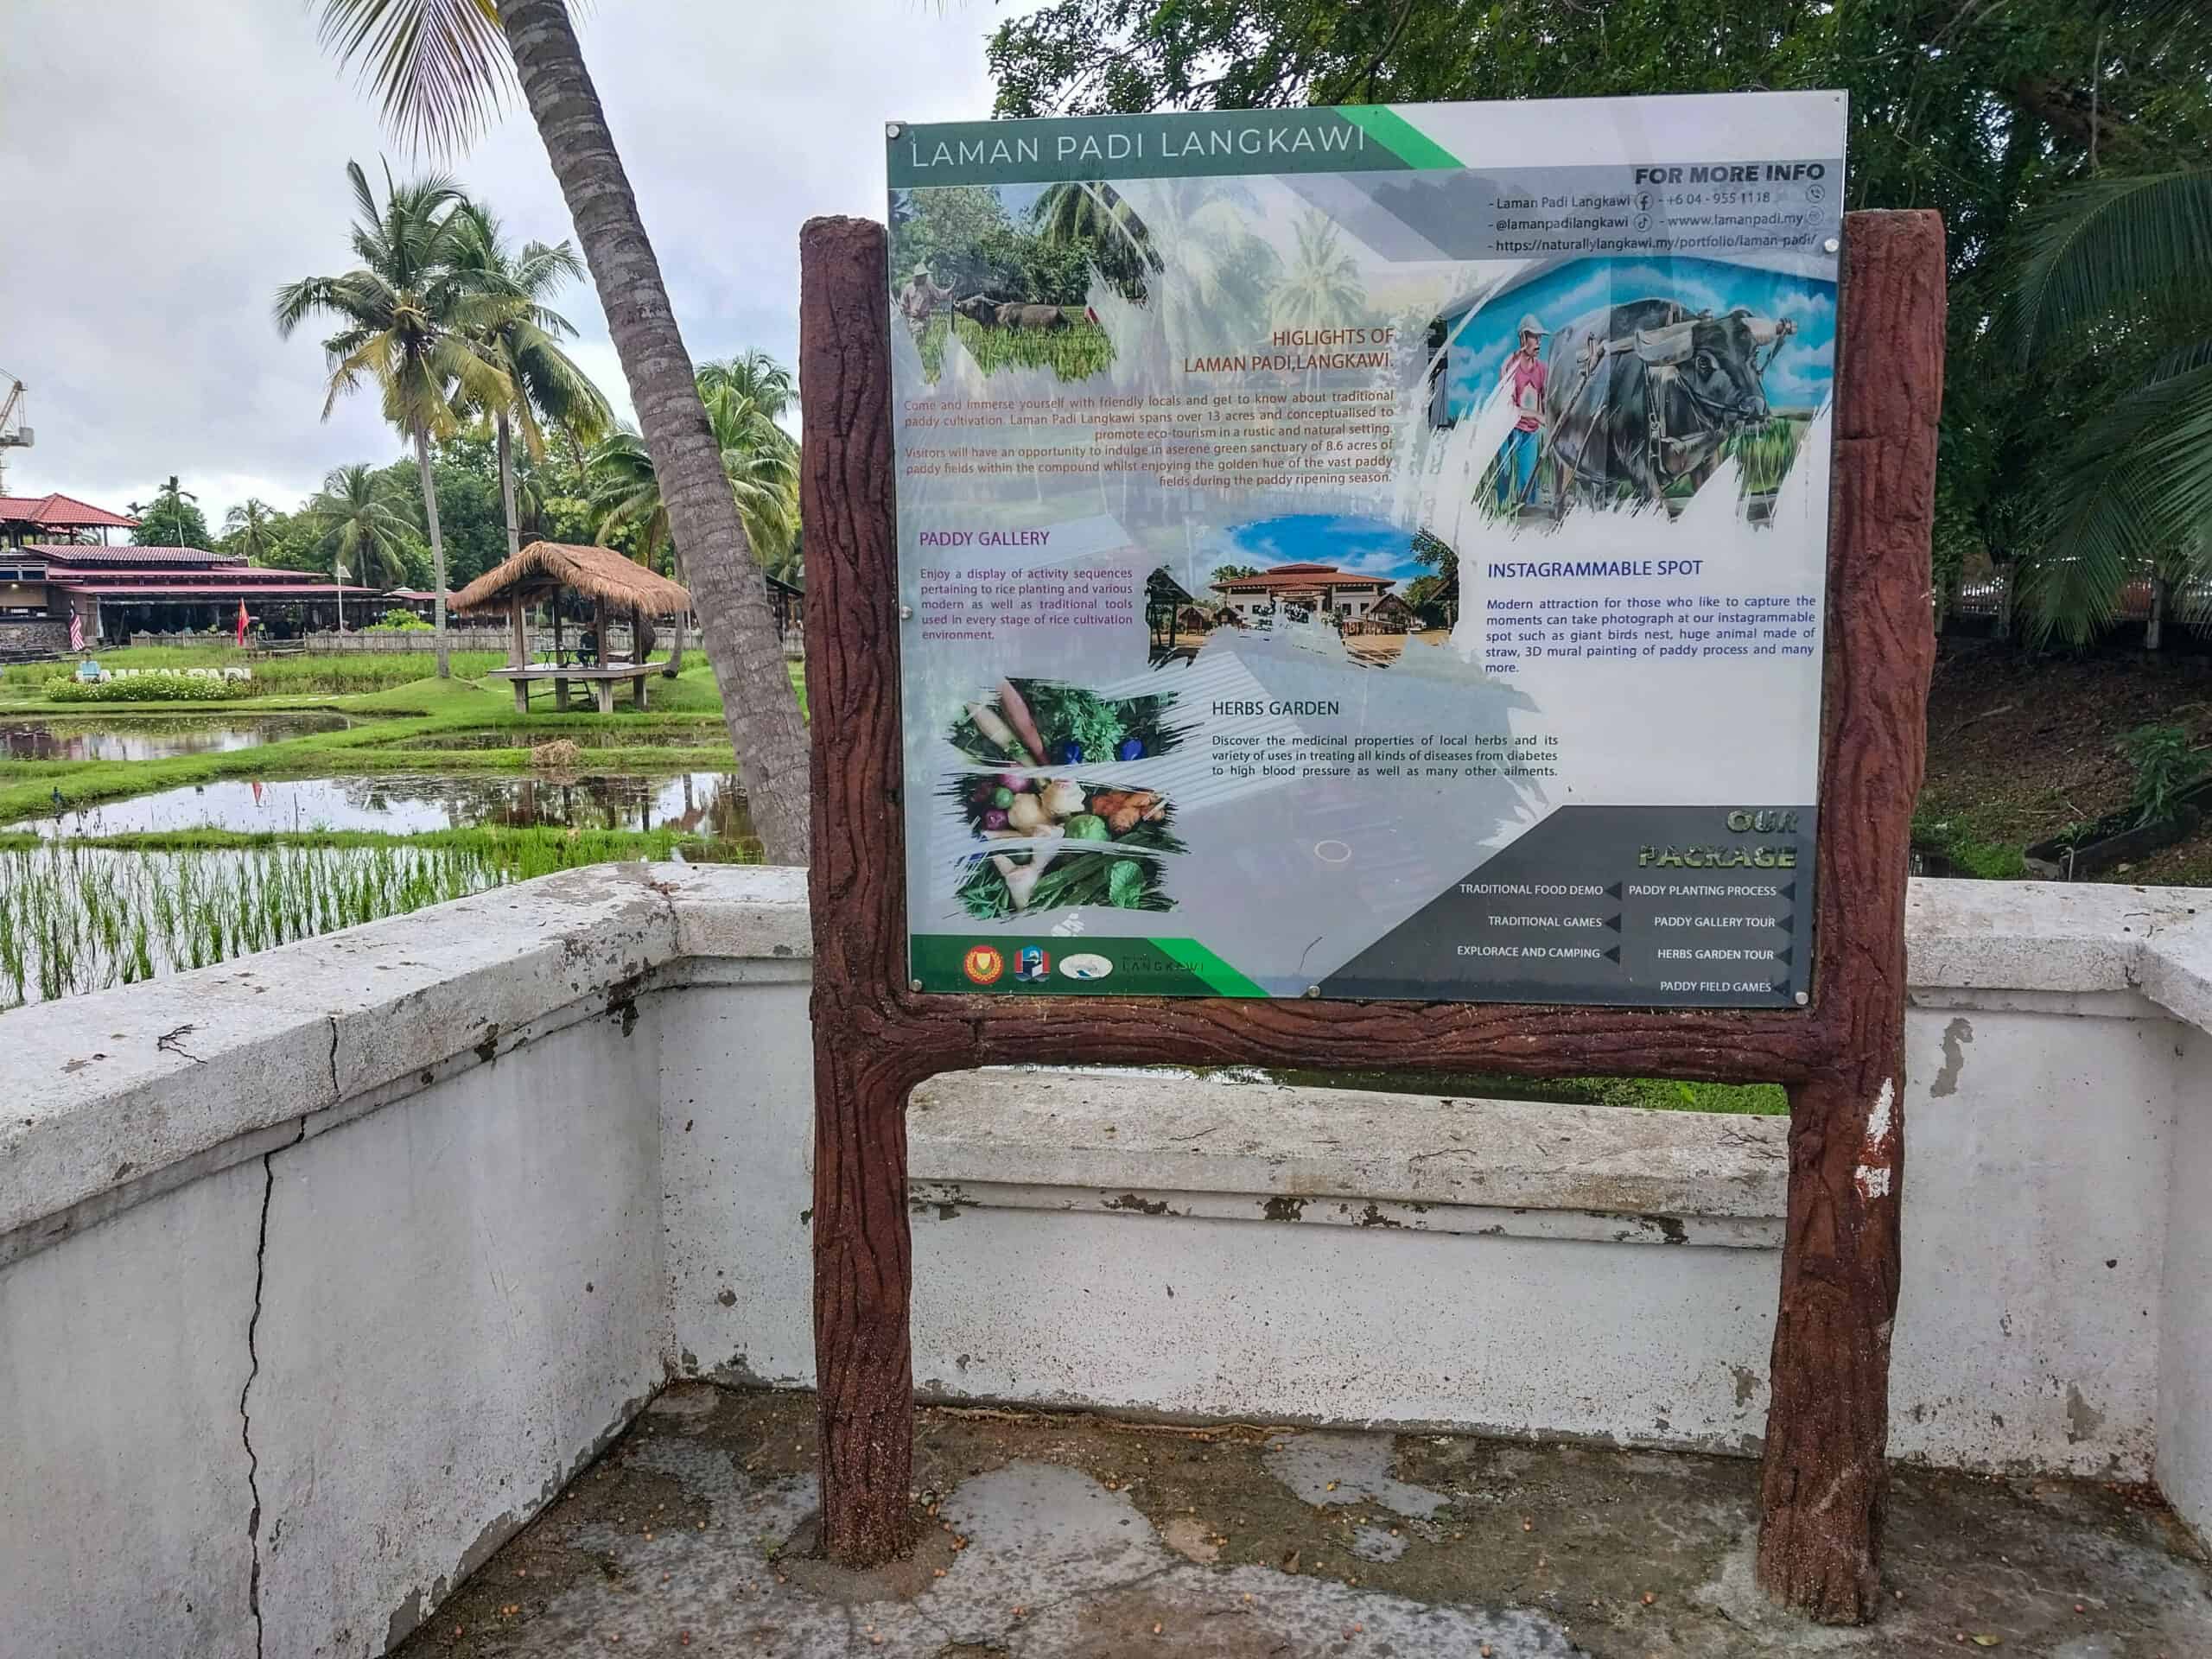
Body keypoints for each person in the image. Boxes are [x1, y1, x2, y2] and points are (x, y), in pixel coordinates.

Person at [1495, 313, 1549, 511]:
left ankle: (1527, 518)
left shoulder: (1542, 369)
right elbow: (1508, 407)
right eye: (1534, 337)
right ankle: (1499, 516)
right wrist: (1536, 415)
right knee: (1505, 475)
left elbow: (1546, 399)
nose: (1538, 342)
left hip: (1530, 432)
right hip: (1509, 429)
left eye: (1540, 337)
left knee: (1528, 481)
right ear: (1523, 338)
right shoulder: (1509, 367)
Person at [897, 262, 954, 338]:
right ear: (918, 277)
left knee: (925, 340)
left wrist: (949, 291)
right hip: (913, 320)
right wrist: (906, 319)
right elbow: (902, 306)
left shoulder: (929, 286)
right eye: (923, 276)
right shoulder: (908, 288)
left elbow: (939, 294)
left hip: (925, 320)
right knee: (916, 337)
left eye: (925, 276)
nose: (925, 277)